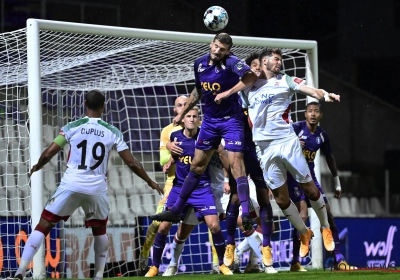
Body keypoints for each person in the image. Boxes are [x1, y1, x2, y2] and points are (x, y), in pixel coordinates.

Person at [11, 90, 162, 280]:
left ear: (84, 104)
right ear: (103, 106)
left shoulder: (73, 126)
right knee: (100, 231)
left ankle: (20, 272)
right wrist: (149, 181)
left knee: (42, 226)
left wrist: (37, 166)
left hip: (71, 184)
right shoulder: (112, 131)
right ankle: (98, 276)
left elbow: (50, 151)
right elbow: (131, 162)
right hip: (96, 188)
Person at [150, 33, 258, 231]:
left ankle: (247, 214)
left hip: (231, 121)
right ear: (211, 44)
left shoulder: (233, 63)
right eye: (216, 46)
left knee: (236, 165)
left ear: (228, 51)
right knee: (197, 166)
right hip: (209, 121)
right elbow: (198, 91)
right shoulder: (199, 63)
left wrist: (227, 93)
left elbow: (251, 76)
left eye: (222, 49)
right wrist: (182, 112)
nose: (217, 51)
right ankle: (176, 210)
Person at [245, 47, 340, 259]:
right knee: (280, 199)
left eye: (280, 60)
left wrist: (325, 95)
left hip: (287, 142)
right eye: (276, 59)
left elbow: (312, 91)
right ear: (264, 62)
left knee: (310, 189)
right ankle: (305, 233)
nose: (279, 63)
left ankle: (325, 227)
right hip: (264, 148)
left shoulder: (287, 80)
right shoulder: (248, 86)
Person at [145, 107, 232, 277]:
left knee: (214, 226)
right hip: (179, 188)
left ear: (199, 120)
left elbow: (221, 153)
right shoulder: (175, 137)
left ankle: (222, 264)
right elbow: (178, 155)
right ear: (183, 120)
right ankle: (154, 266)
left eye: (195, 117)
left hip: (202, 188)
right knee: (163, 227)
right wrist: (170, 162)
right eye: (189, 116)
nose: (192, 119)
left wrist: (228, 177)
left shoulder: (206, 136)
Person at [221, 52, 276, 274]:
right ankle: (230, 246)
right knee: (235, 198)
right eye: (251, 66)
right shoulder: (237, 92)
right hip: (238, 150)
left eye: (258, 66)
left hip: (259, 152)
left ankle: (266, 251)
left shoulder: (269, 93)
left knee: (264, 198)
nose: (255, 69)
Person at [287, 102, 357, 271]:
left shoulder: (322, 135)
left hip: (310, 177)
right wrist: (293, 142)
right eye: (310, 111)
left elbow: (330, 158)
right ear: (305, 114)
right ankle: (295, 262)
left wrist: (337, 183)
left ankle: (338, 259)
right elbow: (280, 146)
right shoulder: (295, 129)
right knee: (302, 215)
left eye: (316, 111)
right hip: (294, 177)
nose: (313, 114)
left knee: (328, 214)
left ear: (320, 115)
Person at [139, 95, 188, 270]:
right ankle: (145, 257)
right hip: (173, 182)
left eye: (186, 104)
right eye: (179, 105)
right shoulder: (167, 131)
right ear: (175, 110)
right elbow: (162, 161)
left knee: (212, 221)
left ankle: (216, 263)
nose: (183, 107)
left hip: (198, 182)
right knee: (159, 223)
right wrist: (171, 149)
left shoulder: (199, 127)